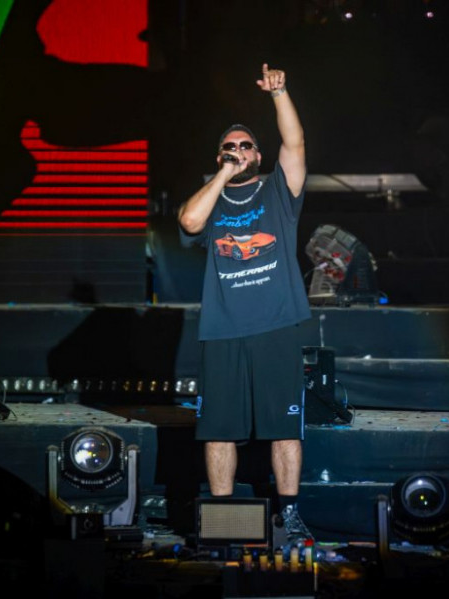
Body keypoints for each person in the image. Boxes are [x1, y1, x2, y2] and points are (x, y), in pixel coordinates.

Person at [178, 63, 314, 552]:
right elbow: (190, 222)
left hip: (276, 325)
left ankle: (289, 517)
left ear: (258, 153)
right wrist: (223, 173)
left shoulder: (279, 190)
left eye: (245, 145)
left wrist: (279, 94)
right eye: (229, 147)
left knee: (284, 429)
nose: (238, 150)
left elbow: (295, 143)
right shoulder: (212, 196)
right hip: (223, 330)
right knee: (218, 430)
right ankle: (223, 525)